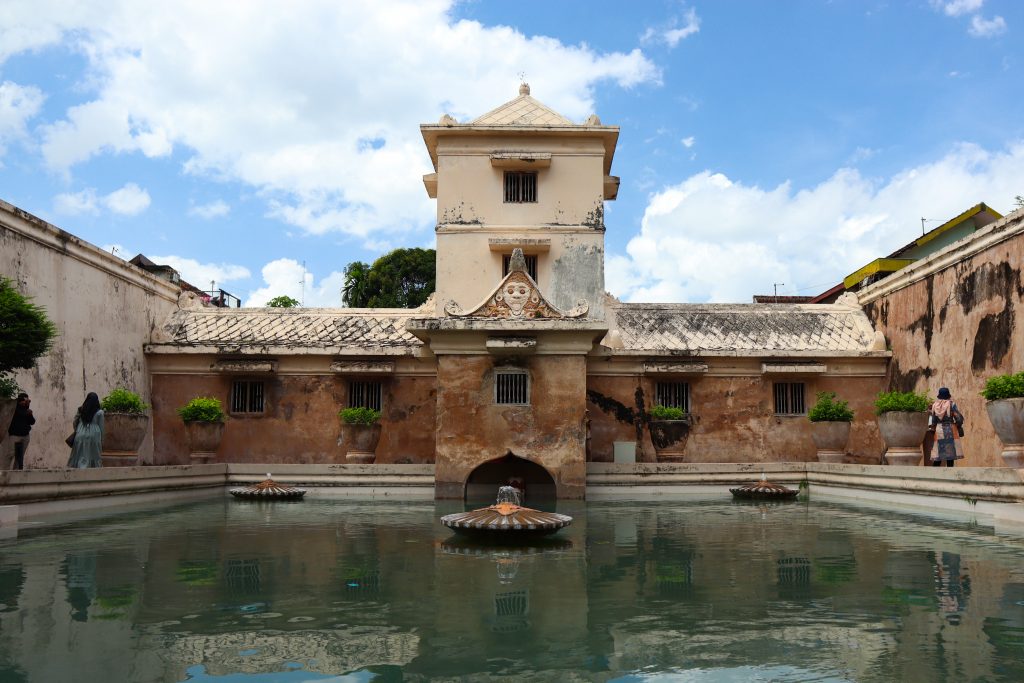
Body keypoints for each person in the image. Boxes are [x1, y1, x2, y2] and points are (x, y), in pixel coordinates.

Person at [928, 387, 964, 467]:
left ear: (939, 395)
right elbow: (958, 418)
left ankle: (935, 475)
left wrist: (933, 429)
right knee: (950, 453)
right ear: (948, 395)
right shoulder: (951, 404)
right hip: (950, 429)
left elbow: (933, 420)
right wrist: (958, 425)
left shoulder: (935, 405)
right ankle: (950, 475)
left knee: (938, 452)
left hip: (939, 430)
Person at [67, 392, 104, 469]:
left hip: (80, 434)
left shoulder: (81, 409)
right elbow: (101, 427)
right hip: (94, 436)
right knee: (93, 455)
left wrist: (78, 430)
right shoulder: (100, 412)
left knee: (80, 454)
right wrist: (102, 440)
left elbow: (75, 422)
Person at [5, 392, 35, 469]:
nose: (26, 402)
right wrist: (27, 409)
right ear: (20, 401)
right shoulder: (15, 408)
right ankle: (4, 471)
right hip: (14, 435)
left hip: (25, 436)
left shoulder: (27, 411)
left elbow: (32, 422)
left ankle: (16, 472)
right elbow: (19, 413)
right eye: (25, 400)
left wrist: (30, 414)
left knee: (19, 457)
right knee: (10, 454)